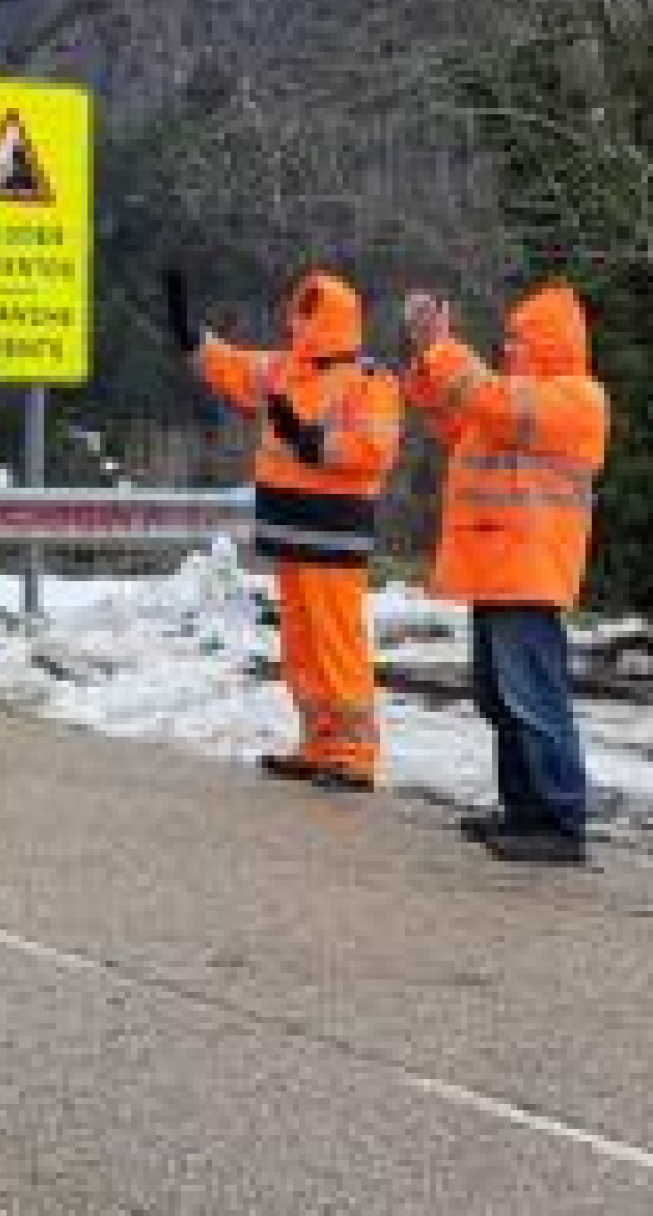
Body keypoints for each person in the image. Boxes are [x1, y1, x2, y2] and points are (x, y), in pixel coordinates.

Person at [403, 282, 612, 864]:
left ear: (548, 343)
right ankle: (524, 811)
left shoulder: (576, 398)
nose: (508, 346)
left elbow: (490, 401)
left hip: (529, 574)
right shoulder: (514, 396)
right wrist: (426, 355)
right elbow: (453, 416)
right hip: (499, 572)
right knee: (500, 699)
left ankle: (558, 820)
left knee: (533, 700)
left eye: (518, 339)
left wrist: (445, 350)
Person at [171, 268, 403, 790]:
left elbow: (376, 451)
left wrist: (310, 442)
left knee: (336, 642)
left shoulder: (370, 378)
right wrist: (194, 339)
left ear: (325, 320)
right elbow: (235, 368)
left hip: (333, 533)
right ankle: (319, 743)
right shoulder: (287, 369)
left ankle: (354, 755)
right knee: (300, 645)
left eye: (304, 313)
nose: (294, 322)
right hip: (293, 531)